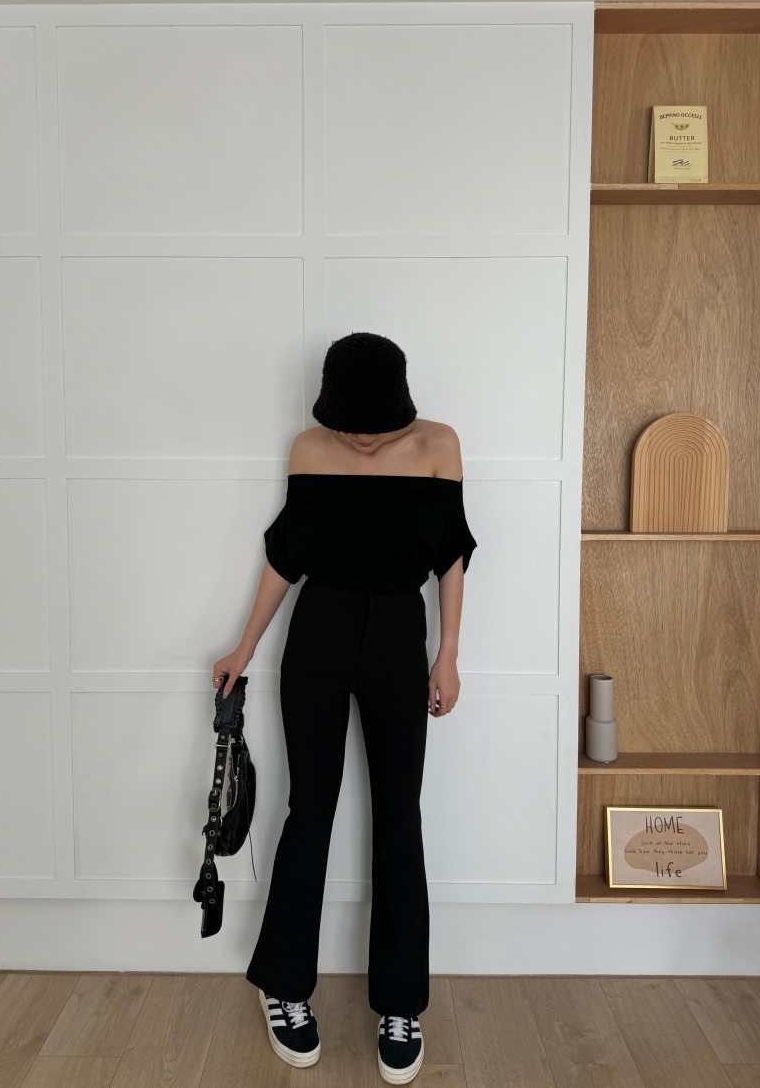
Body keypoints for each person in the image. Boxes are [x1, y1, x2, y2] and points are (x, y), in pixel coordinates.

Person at [211, 332, 477, 1085]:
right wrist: (243, 647)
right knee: (310, 813)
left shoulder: (439, 446)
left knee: (398, 816)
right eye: (349, 425)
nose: (361, 440)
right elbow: (286, 554)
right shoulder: (308, 449)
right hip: (318, 635)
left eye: (376, 426)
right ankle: (285, 987)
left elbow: (451, 554)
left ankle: (400, 1004)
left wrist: (448, 654)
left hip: (397, 635)